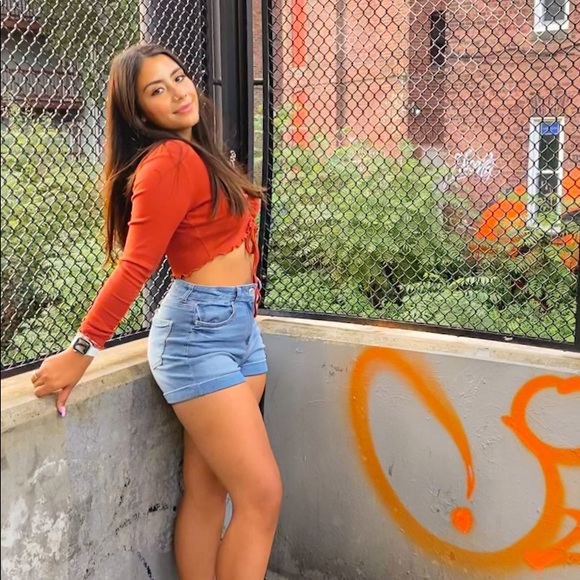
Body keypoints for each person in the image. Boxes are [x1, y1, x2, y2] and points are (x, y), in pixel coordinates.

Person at [31, 43, 282, 580]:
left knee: (209, 490)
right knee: (261, 496)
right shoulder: (169, 161)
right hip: (199, 336)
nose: (177, 92)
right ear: (139, 112)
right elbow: (134, 267)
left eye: (178, 77)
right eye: (156, 90)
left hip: (238, 328)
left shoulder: (199, 154)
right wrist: (81, 351)